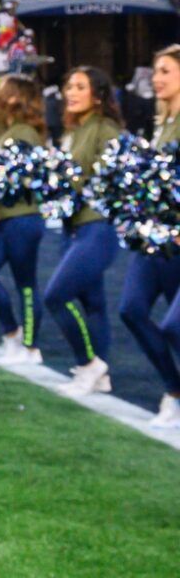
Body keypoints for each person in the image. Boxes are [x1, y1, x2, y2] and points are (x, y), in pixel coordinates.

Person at [41, 65, 125, 395]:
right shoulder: (74, 130)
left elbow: (111, 180)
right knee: (93, 304)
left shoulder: (106, 130)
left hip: (98, 226)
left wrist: (65, 180)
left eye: (79, 87)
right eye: (69, 87)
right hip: (74, 226)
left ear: (99, 94)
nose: (70, 93)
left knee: (56, 296)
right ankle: (100, 375)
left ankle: (88, 363)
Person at [0, 74, 47, 366]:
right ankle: (13, 332)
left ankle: (30, 347)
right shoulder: (9, 131)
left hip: (23, 218)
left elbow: (20, 177)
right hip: (5, 218)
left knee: (25, 284)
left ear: (17, 98)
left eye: (4, 91)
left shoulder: (25, 132)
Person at [124, 46, 180, 425]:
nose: (156, 78)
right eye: (155, 71)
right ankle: (174, 389)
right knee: (131, 309)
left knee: (175, 326)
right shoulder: (163, 121)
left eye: (165, 71)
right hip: (157, 235)